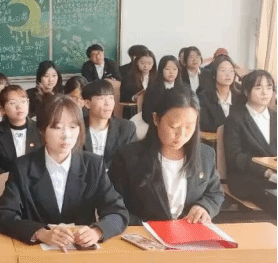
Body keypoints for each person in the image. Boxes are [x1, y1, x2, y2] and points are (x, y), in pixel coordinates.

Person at [0, 95, 129, 250]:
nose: (66, 135)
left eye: (73, 127)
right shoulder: (23, 166)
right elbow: (4, 215)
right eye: (57, 127)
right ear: (42, 130)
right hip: (37, 254)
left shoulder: (93, 165)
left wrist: (97, 231)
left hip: (81, 254)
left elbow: (118, 212)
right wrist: (40, 233)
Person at [110, 88, 224, 225]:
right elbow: (114, 205)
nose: (181, 135)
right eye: (173, 126)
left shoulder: (205, 154)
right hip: (144, 232)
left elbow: (215, 193)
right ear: (156, 119)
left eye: (189, 127)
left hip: (188, 231)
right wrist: (143, 226)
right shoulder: (128, 157)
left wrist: (204, 206)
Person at [224, 70, 277, 215]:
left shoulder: (276, 117)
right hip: (247, 178)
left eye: (269, 87)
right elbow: (235, 156)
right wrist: (266, 172)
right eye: (258, 87)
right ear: (247, 91)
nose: (265, 92)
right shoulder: (235, 118)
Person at [0, 85, 41, 175]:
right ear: (3, 109)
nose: (19, 106)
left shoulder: (40, 129)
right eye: (12, 103)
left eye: (23, 101)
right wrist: (11, 178)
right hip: (6, 180)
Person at [82, 80, 137, 170]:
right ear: (87, 103)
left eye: (111, 98)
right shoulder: (77, 129)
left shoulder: (126, 128)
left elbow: (131, 162)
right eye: (101, 98)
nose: (107, 103)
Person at [198, 55, 244, 132]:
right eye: (223, 70)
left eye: (231, 71)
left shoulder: (241, 98)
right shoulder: (203, 98)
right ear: (214, 74)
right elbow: (203, 126)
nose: (228, 74)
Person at [142, 55, 183, 124]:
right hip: (157, 123)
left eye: (174, 69)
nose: (171, 72)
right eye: (167, 69)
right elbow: (146, 113)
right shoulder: (152, 88)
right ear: (161, 70)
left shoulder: (183, 89)